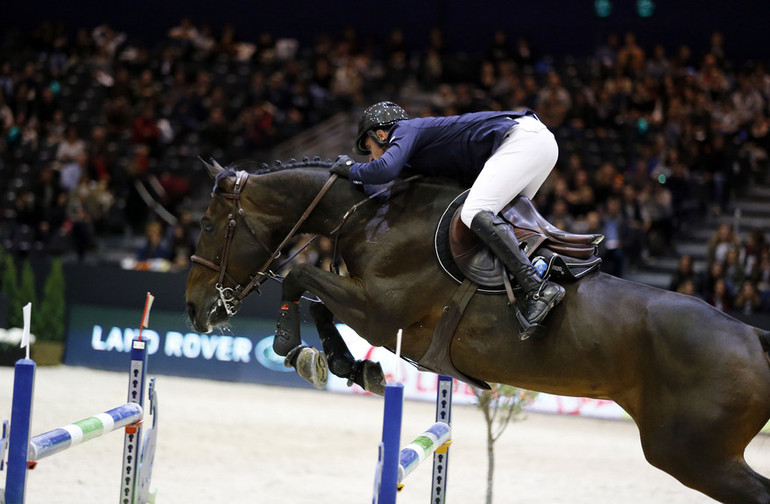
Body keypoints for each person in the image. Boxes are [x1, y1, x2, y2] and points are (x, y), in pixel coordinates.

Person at [329, 101, 564, 338]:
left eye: (370, 149)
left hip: (522, 140)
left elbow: (384, 170)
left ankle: (538, 288)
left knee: (474, 212)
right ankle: (544, 273)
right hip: (536, 144)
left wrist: (351, 169)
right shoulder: (418, 152)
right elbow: (390, 186)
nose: (370, 158)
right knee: (502, 222)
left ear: (381, 135)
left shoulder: (405, 130)